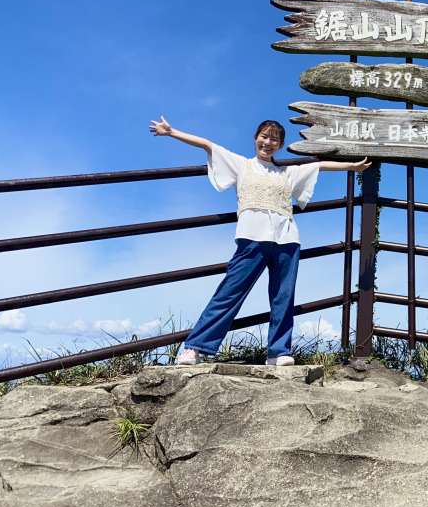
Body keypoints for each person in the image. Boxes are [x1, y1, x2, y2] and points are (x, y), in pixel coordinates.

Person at [148, 116, 370, 366]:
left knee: (283, 297)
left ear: (281, 144)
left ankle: (279, 352)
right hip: (252, 239)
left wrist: (352, 167)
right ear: (255, 138)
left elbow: (319, 165)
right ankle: (195, 347)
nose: (268, 142)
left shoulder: (286, 172)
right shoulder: (242, 165)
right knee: (230, 292)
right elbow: (208, 145)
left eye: (274, 139)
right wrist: (171, 131)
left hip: (287, 240)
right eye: (264, 136)